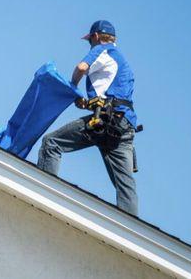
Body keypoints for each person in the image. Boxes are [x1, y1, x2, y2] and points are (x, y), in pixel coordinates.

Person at [37, 20, 139, 215]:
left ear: (96, 36)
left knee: (51, 143)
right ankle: (133, 230)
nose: (90, 44)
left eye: (90, 40)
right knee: (126, 185)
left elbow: (82, 67)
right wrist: (86, 103)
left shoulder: (103, 49)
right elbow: (112, 97)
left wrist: (72, 87)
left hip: (106, 122)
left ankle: (42, 198)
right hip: (124, 127)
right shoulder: (121, 61)